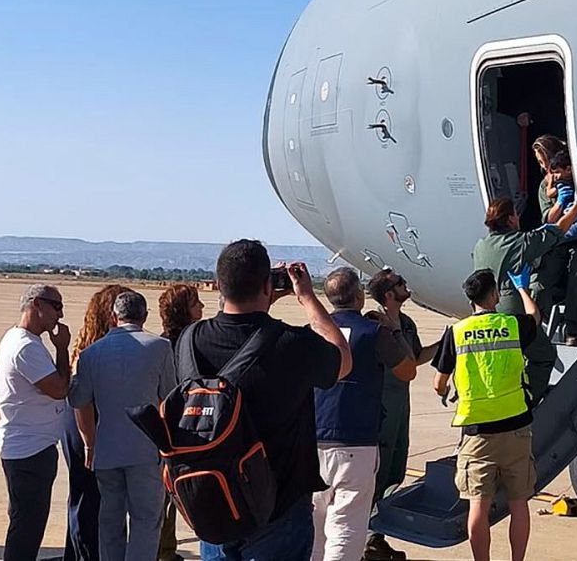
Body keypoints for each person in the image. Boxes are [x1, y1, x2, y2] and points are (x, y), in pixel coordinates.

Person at [187, 240, 349, 561]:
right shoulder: (290, 343)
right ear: (267, 284)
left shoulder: (188, 341)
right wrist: (306, 298)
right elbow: (342, 359)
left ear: (220, 285)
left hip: (214, 502)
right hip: (277, 508)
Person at [432, 269, 541, 561]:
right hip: (517, 426)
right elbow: (535, 318)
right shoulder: (511, 325)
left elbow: (438, 383)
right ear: (494, 295)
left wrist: (449, 390)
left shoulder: (456, 332)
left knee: (478, 506)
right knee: (519, 504)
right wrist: (522, 289)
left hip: (477, 431)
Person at [310, 268, 416, 561]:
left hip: (313, 439)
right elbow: (408, 370)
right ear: (359, 296)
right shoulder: (374, 331)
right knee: (346, 526)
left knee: (314, 527)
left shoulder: (313, 331)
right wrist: (392, 329)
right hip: (356, 442)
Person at [72, 289, 178, 561]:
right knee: (145, 520)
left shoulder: (91, 353)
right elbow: (170, 394)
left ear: (113, 317)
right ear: (144, 316)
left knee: (110, 521)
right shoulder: (158, 347)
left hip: (107, 449)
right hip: (145, 449)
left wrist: (89, 444)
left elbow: (79, 399)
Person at [471, 197, 577, 404]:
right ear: (510, 219)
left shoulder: (481, 245)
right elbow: (558, 230)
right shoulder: (520, 242)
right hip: (511, 314)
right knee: (544, 355)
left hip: (483, 312)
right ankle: (526, 400)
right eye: (516, 214)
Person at [0, 284, 73, 561]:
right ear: (37, 304)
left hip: (27, 445)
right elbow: (59, 389)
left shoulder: (17, 338)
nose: (60, 314)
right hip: (31, 449)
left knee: (25, 520)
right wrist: (62, 349)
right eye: (56, 306)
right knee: (27, 525)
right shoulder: (25, 347)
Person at [364, 269, 438, 561]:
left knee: (395, 470)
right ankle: (366, 535)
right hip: (379, 406)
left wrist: (446, 343)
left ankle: (376, 536)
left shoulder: (405, 323)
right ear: (388, 294)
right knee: (376, 473)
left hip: (400, 407)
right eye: (400, 284)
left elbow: (415, 358)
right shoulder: (374, 323)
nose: (406, 286)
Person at [65, 284, 130, 561]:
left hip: (83, 424)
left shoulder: (90, 349)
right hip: (86, 426)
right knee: (89, 500)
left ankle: (78, 553)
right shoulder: (95, 354)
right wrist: (90, 441)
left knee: (85, 498)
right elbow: (84, 401)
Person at [156, 284, 205, 561]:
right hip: (180, 430)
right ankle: (163, 550)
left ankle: (165, 549)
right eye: (195, 303)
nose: (201, 308)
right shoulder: (189, 343)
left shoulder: (163, 343)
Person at [539, 151, 577, 347]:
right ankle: (537, 320)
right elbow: (549, 217)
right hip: (563, 235)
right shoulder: (553, 185)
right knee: (545, 273)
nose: (552, 174)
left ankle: (574, 330)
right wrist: (559, 202)